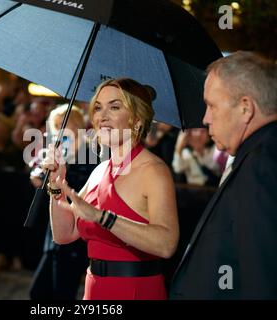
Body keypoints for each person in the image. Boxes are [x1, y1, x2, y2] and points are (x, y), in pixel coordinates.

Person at [42, 78, 179, 300]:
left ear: (136, 119)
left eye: (114, 107)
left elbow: (166, 245)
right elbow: (63, 235)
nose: (101, 116)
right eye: (98, 107)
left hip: (134, 290)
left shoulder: (153, 170)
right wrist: (56, 185)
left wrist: (101, 217)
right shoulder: (100, 170)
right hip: (94, 288)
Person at [170, 51, 277, 299]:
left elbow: (263, 279)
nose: (205, 118)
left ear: (245, 108)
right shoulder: (256, 157)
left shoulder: (263, 165)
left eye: (211, 105)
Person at [29, 104, 96, 300]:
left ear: (76, 126)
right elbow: (46, 185)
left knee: (62, 292)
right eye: (55, 126)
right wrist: (42, 177)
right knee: (39, 292)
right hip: (54, 230)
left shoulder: (90, 154)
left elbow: (80, 191)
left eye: (63, 124)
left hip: (75, 231)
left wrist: (58, 180)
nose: (59, 130)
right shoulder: (57, 153)